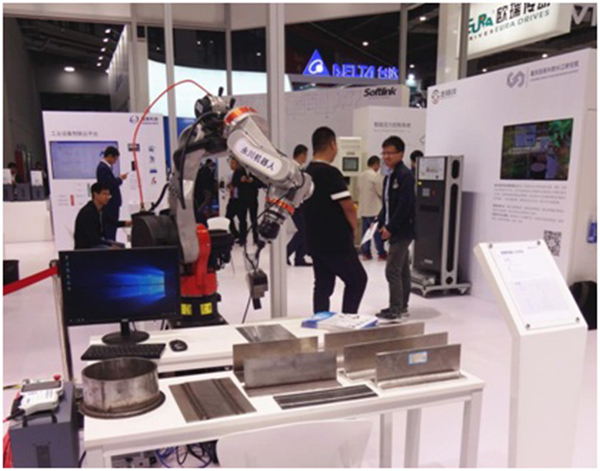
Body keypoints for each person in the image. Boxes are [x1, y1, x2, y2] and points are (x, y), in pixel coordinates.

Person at [304, 127, 367, 315]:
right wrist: (354, 228)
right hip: (335, 240)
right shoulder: (330, 173)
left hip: (315, 239)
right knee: (357, 280)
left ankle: (319, 320)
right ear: (332, 144)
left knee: (323, 285)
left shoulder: (306, 173)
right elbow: (348, 206)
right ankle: (348, 319)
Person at [377, 136, 416, 320]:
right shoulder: (390, 175)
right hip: (396, 228)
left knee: (392, 270)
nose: (386, 157)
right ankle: (402, 306)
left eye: (390, 153)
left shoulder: (405, 175)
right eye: (384, 153)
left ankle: (396, 309)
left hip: (403, 231)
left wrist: (391, 227)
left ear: (401, 154)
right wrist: (379, 221)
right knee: (402, 270)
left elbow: (404, 205)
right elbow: (387, 204)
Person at [74, 182, 129, 249]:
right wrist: (110, 245)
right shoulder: (88, 212)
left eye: (108, 195)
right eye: (104, 194)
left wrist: (126, 223)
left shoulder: (102, 210)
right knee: (114, 249)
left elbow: (112, 222)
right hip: (88, 246)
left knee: (121, 246)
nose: (107, 197)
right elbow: (92, 238)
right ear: (95, 194)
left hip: (98, 242)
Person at [286, 144, 312, 266]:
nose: (306, 157)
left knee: (304, 230)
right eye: (306, 155)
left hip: (299, 203)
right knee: (303, 230)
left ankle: (299, 258)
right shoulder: (293, 168)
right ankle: (287, 252)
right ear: (301, 154)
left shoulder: (298, 168)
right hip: (293, 204)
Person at [357, 155, 386, 261]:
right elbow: (381, 192)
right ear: (376, 164)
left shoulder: (361, 175)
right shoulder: (375, 176)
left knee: (366, 233)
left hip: (363, 209)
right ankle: (381, 253)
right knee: (377, 233)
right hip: (374, 209)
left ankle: (366, 253)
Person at [96, 145, 127, 241]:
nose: (115, 161)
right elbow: (109, 184)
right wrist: (119, 179)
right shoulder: (103, 168)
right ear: (110, 156)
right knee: (110, 228)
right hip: (110, 204)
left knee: (112, 228)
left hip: (112, 204)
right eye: (115, 159)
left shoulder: (106, 168)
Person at [233, 164, 262, 245]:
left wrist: (252, 181)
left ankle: (256, 239)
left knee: (254, 219)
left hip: (253, 198)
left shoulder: (255, 171)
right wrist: (240, 180)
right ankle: (242, 239)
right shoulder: (238, 171)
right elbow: (234, 183)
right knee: (242, 220)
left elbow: (261, 184)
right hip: (242, 199)